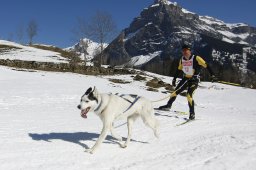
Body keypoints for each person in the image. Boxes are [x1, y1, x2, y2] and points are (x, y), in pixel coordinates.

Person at [158, 44, 216, 120]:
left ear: (189, 51)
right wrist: (174, 79)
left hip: (194, 80)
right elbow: (179, 69)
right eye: (183, 51)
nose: (185, 52)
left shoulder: (196, 58)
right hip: (185, 79)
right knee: (174, 92)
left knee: (189, 96)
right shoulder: (182, 59)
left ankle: (192, 114)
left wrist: (212, 75)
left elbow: (206, 65)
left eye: (186, 50)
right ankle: (168, 105)